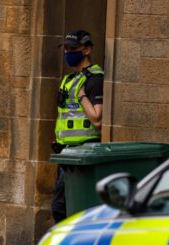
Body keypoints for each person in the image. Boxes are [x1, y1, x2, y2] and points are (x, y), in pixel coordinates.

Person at [51, 29, 104, 223]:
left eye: (73, 48)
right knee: (61, 207)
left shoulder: (94, 79)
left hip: (82, 154)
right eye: (65, 48)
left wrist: (81, 95)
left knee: (63, 209)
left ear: (87, 50)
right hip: (66, 154)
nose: (68, 52)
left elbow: (97, 120)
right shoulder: (70, 79)